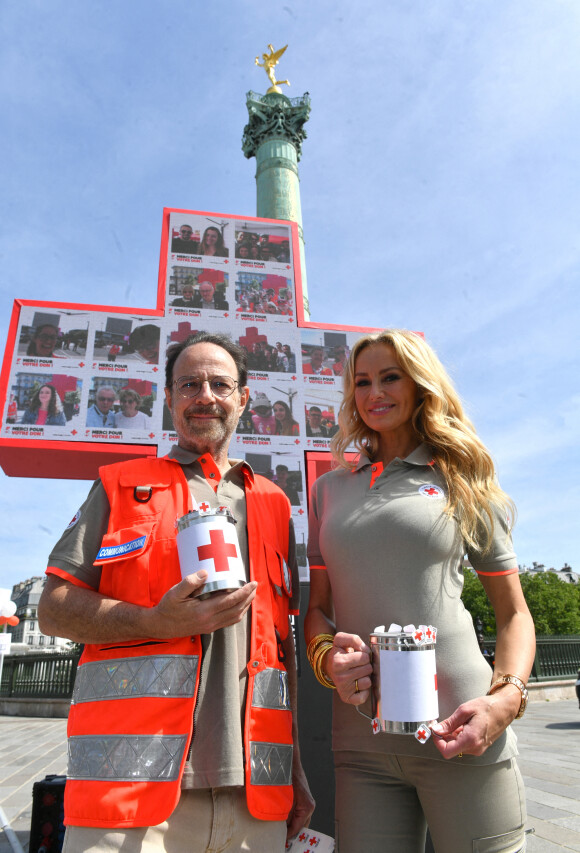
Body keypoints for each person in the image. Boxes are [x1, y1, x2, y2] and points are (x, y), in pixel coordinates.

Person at [38, 331, 314, 852]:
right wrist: (155, 623)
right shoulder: (120, 484)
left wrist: (295, 769)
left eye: (219, 384)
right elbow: (53, 611)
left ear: (244, 398)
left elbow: (282, 650)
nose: (205, 395)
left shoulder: (275, 504)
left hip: (255, 795)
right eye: (189, 384)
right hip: (128, 794)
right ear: (168, 398)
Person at [305, 329, 535, 853]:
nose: (374, 393)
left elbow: (514, 615)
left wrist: (505, 701)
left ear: (420, 386)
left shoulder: (463, 478)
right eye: (362, 381)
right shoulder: (328, 490)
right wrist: (325, 658)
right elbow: (317, 609)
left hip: (464, 731)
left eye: (391, 377)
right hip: (361, 744)